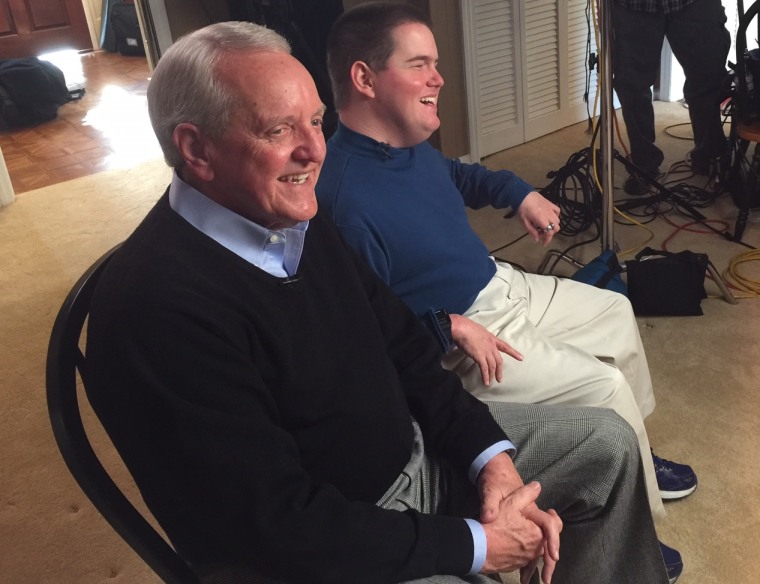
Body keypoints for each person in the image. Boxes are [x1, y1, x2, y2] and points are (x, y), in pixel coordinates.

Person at [84, 20, 671, 584]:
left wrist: (488, 459)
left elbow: (407, 349)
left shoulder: (293, 219)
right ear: (197, 149)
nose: (315, 151)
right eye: (278, 130)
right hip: (315, 548)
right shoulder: (153, 310)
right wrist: (478, 547)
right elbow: (279, 526)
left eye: (316, 122)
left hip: (409, 460)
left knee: (609, 447)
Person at [316, 1, 693, 575]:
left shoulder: (406, 142)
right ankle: (628, 536)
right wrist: (445, 326)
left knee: (615, 310)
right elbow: (366, 334)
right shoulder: (342, 200)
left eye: (435, 63)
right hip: (467, 337)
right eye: (419, 65)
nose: (437, 78)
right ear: (364, 78)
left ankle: (638, 455)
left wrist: (518, 192)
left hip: (503, 283)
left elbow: (463, 176)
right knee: (604, 385)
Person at [612, 0, 731, 195]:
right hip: (633, 5)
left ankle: (710, 156)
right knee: (633, 87)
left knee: (708, 77)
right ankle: (644, 164)